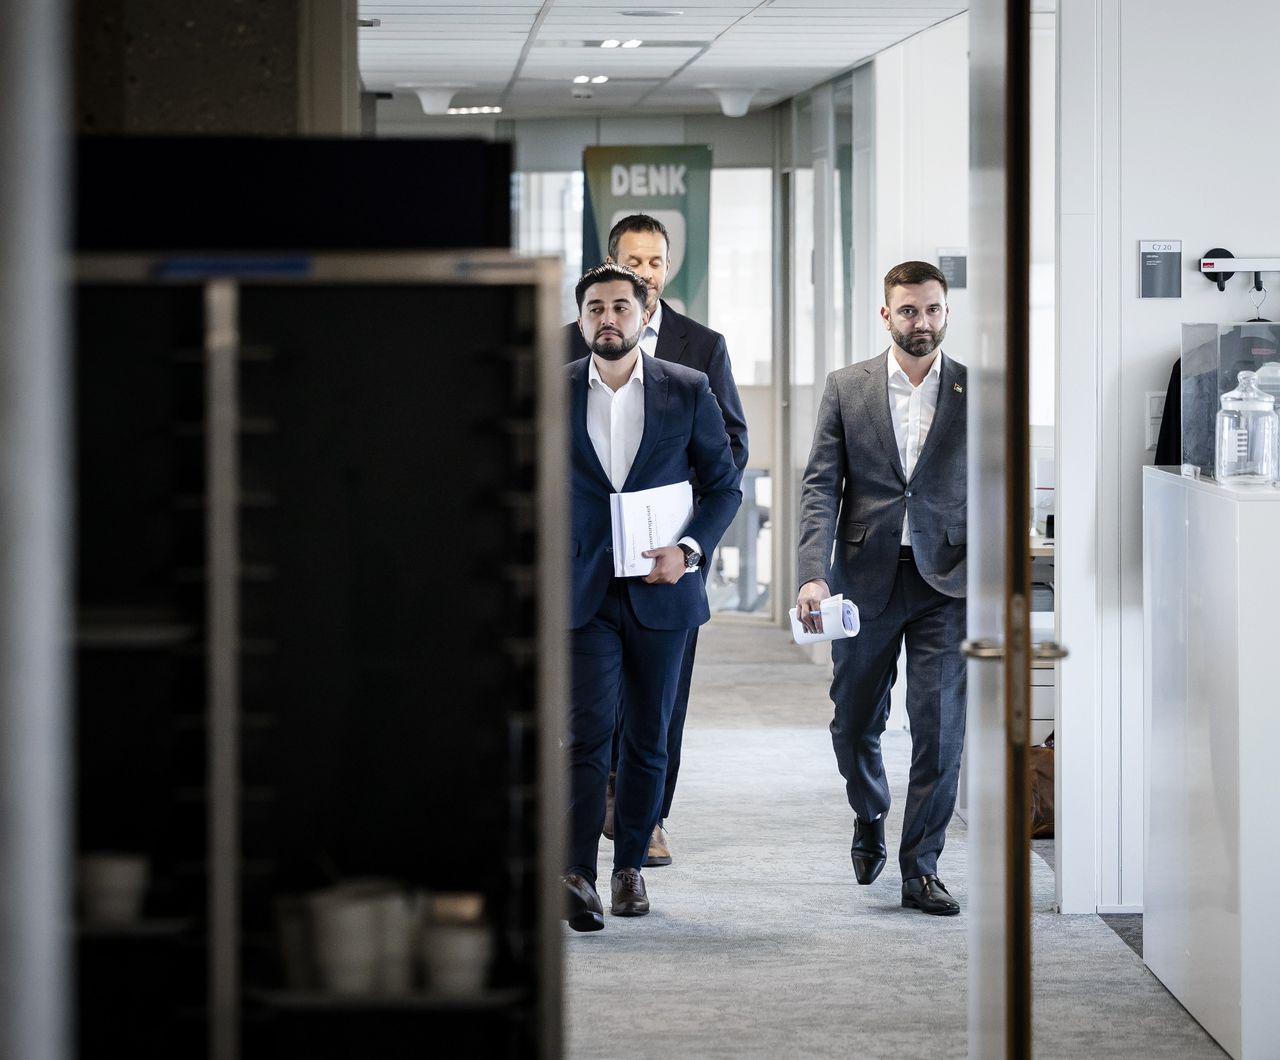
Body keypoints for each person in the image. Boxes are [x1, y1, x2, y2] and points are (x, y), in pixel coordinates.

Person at [562, 262, 741, 931]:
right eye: (594, 308)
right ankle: (576, 871)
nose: (607, 318)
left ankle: (629, 866)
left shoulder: (686, 388)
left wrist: (688, 550)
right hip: (582, 592)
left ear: (644, 315)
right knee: (586, 733)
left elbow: (725, 485)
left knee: (648, 736)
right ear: (582, 319)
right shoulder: (550, 392)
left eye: (619, 307)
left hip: (663, 589)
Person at [795, 260, 967, 916]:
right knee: (854, 722)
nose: (921, 322)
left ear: (946, 311)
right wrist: (813, 572)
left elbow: (995, 487)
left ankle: (920, 866)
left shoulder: (977, 391)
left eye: (931, 310)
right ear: (885, 314)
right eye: (908, 311)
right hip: (863, 582)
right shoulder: (848, 387)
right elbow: (819, 486)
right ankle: (869, 810)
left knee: (940, 730)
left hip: (946, 583)